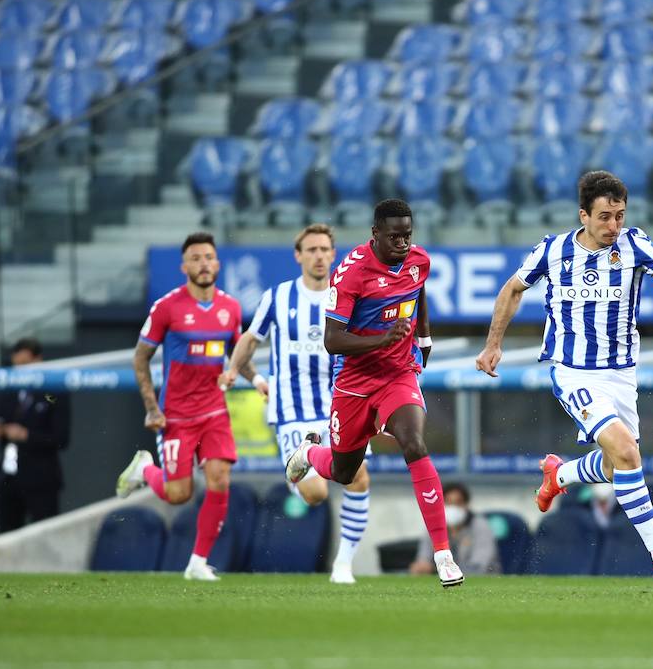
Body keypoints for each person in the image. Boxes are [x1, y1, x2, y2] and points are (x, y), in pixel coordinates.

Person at [474, 170, 653, 577]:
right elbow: (512, 289)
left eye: (619, 215)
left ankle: (560, 473)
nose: (613, 225)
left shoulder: (635, 245)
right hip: (573, 372)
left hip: (621, 375)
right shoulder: (552, 250)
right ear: (583, 214)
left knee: (619, 463)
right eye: (604, 216)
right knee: (627, 451)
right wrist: (494, 344)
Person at [283, 199, 460, 587]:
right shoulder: (349, 275)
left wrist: (423, 336)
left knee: (413, 442)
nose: (402, 243)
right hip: (354, 383)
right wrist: (383, 338)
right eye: (394, 236)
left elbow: (418, 291)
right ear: (375, 233)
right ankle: (310, 453)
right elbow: (332, 340)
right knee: (345, 471)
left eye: (407, 235)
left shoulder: (418, 260)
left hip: (399, 373)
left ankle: (443, 555)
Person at [221, 224, 373, 584]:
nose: (319, 256)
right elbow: (249, 340)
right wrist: (238, 372)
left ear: (333, 255)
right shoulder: (278, 297)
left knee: (359, 479)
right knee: (317, 493)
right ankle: (299, 461)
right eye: (312, 250)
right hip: (292, 413)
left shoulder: (349, 297)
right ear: (298, 255)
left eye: (325, 249)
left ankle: (343, 564)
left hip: (341, 406)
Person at [115, 232, 246, 582]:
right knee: (178, 495)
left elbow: (238, 354)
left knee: (220, 479)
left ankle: (198, 563)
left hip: (214, 411)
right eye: (196, 258)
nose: (203, 264)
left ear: (218, 263)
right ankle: (145, 469)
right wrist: (151, 408)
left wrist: (255, 379)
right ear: (184, 266)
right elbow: (140, 358)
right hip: (176, 415)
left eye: (208, 257)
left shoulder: (230, 308)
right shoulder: (167, 307)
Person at [0, 338, 70, 532]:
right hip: (7, 479)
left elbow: (61, 438)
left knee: (45, 535)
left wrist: (27, 435)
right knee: (6, 537)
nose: (20, 371)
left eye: (25, 365)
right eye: (17, 366)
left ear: (38, 360)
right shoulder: (7, 391)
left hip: (41, 480)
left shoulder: (54, 392)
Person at [410, 482, 500, 576]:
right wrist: (421, 567)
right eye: (448, 502)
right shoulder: (433, 527)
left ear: (466, 505)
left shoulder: (480, 526)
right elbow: (423, 560)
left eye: (458, 503)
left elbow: (479, 567)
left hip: (483, 582)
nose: (453, 507)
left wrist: (435, 570)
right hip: (443, 580)